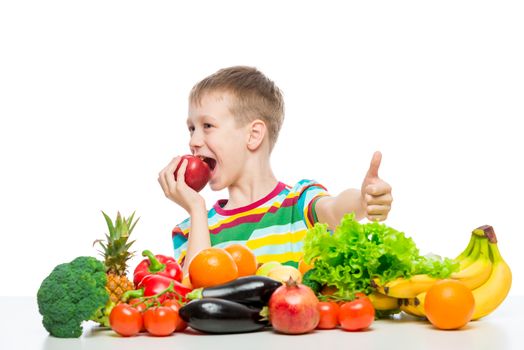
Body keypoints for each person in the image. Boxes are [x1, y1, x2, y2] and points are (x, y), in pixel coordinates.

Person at [158, 66, 393, 274]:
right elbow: (194, 296)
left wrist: (363, 201)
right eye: (191, 128)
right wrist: (197, 210)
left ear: (253, 135)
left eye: (207, 126)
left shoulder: (299, 204)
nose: (194, 141)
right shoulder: (191, 231)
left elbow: (335, 210)